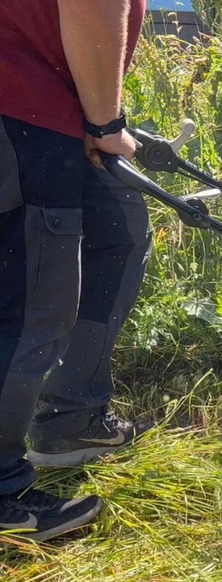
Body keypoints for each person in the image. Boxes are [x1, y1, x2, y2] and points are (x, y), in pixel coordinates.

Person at [0, 0, 153, 541]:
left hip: (53, 108)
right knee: (30, 303)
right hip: (20, 109)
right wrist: (106, 123)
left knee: (121, 230)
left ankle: (70, 417)